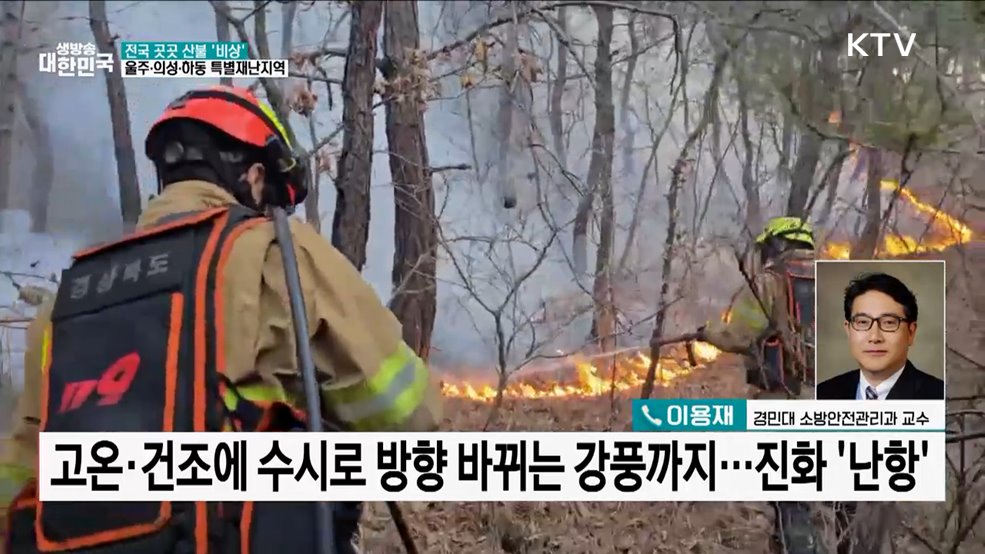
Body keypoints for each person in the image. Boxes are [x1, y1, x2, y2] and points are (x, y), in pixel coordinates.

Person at [0, 85, 443, 553]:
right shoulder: (276, 253)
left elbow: (18, 477)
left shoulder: (66, 302)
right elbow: (407, 415)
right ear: (256, 176)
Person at [695, 215, 823, 554]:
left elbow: (739, 334)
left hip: (785, 399)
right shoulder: (840, 279)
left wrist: (707, 333)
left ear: (777, 245)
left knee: (789, 494)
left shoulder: (769, 282)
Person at [816, 272, 944, 400]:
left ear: (911, 332)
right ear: (848, 330)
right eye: (863, 322)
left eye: (889, 322)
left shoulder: (939, 396)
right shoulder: (823, 394)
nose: (874, 337)